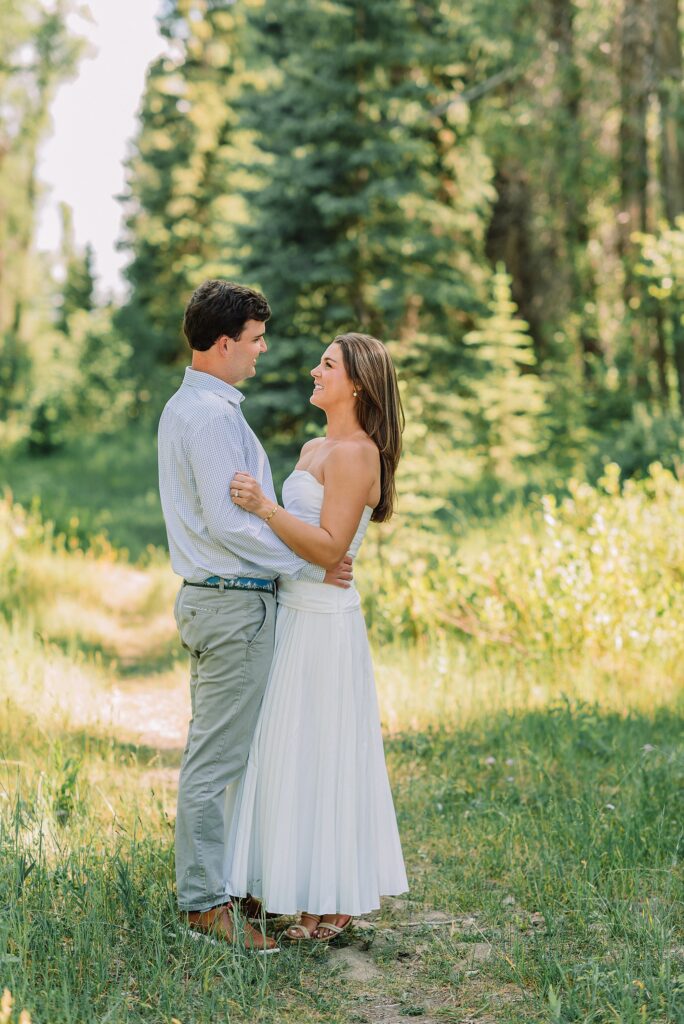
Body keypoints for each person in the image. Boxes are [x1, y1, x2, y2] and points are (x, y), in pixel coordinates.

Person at [157, 280, 352, 953]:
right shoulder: (209, 418)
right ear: (222, 343)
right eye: (255, 339)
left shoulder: (208, 408)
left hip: (228, 598)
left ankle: (226, 884)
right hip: (231, 599)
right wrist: (307, 562)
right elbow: (230, 525)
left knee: (233, 752)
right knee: (217, 758)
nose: (263, 350)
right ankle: (206, 905)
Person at [225, 332, 408, 941]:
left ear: (356, 382)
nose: (314, 370)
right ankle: (300, 891)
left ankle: (329, 900)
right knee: (290, 753)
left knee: (321, 752)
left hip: (325, 623)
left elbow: (331, 547)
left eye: (327, 365)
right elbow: (309, 547)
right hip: (295, 608)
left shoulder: (357, 453)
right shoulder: (313, 446)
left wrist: (263, 507)